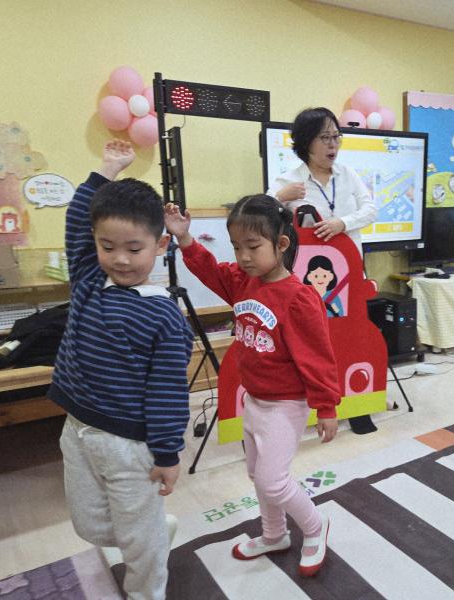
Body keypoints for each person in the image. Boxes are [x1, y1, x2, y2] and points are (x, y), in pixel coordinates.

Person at [164, 194, 340, 577]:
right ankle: (274, 534)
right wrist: (185, 239)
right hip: (255, 401)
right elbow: (210, 270)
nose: (243, 256)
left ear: (281, 243)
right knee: (257, 475)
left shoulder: (299, 299)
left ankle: (315, 526)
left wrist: (326, 407)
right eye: (236, 247)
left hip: (286, 405)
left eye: (253, 246)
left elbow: (318, 358)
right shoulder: (243, 282)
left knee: (273, 482)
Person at [49, 140, 193, 599]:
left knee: (136, 539)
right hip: (77, 428)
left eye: (134, 248)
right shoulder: (90, 279)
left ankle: (147, 588)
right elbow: (78, 219)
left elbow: (168, 394)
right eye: (107, 246)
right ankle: (152, 534)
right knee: (89, 526)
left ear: (161, 245)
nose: (121, 259)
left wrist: (167, 455)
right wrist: (106, 170)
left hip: (129, 446)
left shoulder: (165, 316)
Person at [268, 107, 377, 252]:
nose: (333, 144)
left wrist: (343, 223)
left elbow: (370, 211)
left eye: (336, 137)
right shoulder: (288, 180)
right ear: (306, 142)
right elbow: (260, 217)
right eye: (325, 137)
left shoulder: (348, 174)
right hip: (309, 262)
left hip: (351, 259)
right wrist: (280, 197)